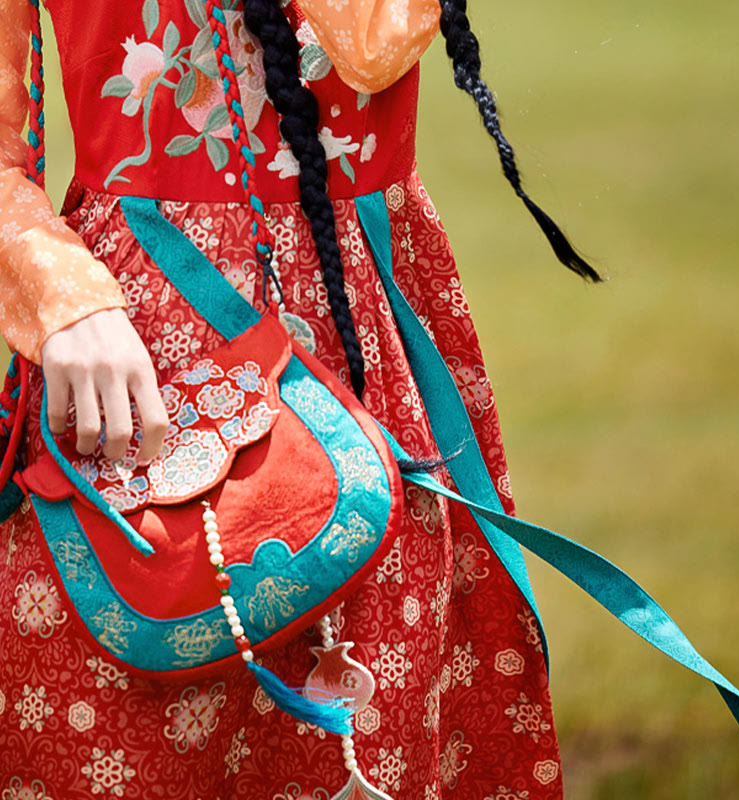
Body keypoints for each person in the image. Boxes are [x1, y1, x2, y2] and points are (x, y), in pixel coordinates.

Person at [0, 0, 599, 797]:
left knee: (370, 711)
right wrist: (59, 293)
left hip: (361, 322)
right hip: (129, 342)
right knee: (123, 716)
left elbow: (371, 42)